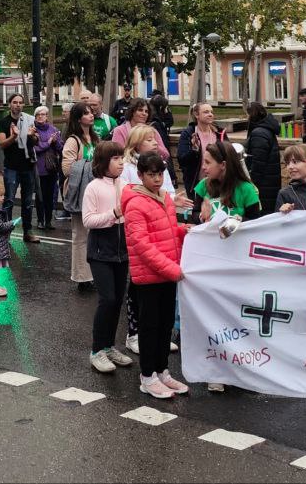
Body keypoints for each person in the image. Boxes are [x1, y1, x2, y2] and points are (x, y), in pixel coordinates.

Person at [122, 151, 189, 400]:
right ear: (140, 175)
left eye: (160, 174)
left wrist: (182, 231)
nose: (157, 179)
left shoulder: (165, 198)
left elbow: (166, 230)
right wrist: (172, 269)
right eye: (151, 175)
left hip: (167, 274)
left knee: (164, 326)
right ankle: (147, 376)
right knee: (149, 328)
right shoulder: (136, 204)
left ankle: (162, 371)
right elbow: (142, 244)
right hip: (149, 277)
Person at [81, 141, 133, 374]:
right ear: (103, 162)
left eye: (122, 158)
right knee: (107, 299)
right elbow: (88, 220)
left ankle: (110, 346)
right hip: (101, 249)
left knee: (118, 300)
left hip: (122, 249)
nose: (121, 162)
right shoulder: (94, 187)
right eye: (115, 159)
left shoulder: (127, 185)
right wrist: (113, 214)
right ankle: (96, 351)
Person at [61, 101, 97, 288]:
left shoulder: (95, 138)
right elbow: (67, 168)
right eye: (86, 113)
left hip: (96, 192)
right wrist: (93, 167)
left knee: (94, 236)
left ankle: (94, 274)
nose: (90, 115)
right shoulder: (73, 140)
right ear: (78, 118)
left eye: (91, 112)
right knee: (81, 236)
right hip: (80, 193)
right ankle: (82, 277)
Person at [0, 93, 39, 243]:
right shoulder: (3, 122)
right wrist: (14, 136)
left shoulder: (29, 120)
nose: (18, 105)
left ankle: (28, 232)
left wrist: (32, 136)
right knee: (9, 201)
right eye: (15, 102)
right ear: (9, 104)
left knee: (28, 202)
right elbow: (1, 144)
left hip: (27, 166)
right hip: (11, 167)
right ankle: (4, 232)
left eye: (21, 102)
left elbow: (35, 142)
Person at [193, 141, 262, 228]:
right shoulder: (203, 185)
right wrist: (201, 216)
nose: (203, 167)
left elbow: (256, 222)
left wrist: (241, 220)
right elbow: (194, 214)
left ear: (223, 165)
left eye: (207, 162)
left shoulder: (247, 189)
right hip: (210, 239)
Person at [176, 103, 226, 195]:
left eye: (211, 112)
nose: (210, 114)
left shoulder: (220, 133)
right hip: (196, 183)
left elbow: (228, 155)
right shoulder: (188, 133)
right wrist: (194, 150)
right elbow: (182, 159)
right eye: (206, 112)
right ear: (196, 115)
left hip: (219, 182)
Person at [243, 102, 281, 213]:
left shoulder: (259, 133)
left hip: (263, 185)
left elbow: (258, 163)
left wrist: (251, 184)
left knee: (262, 213)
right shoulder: (266, 129)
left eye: (247, 114)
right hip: (270, 181)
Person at [31, 105, 63, 230]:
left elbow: (61, 148)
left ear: (47, 116)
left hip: (52, 168)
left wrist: (55, 142)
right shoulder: (32, 130)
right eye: (38, 114)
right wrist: (48, 143)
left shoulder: (53, 129)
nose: (40, 116)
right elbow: (35, 148)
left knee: (50, 196)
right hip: (39, 169)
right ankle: (40, 220)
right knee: (40, 196)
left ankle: (48, 221)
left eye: (43, 114)